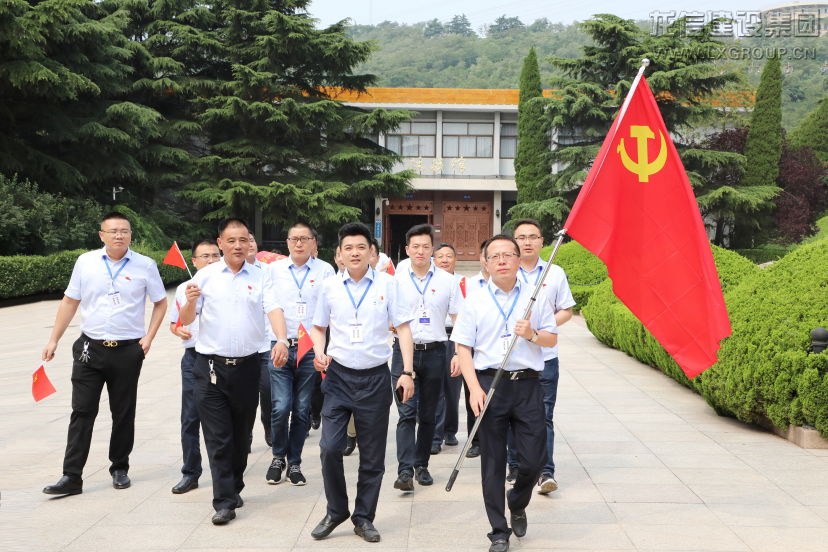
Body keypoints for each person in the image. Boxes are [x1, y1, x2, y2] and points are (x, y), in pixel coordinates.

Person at [42, 211, 168, 496]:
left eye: (124, 231)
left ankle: (119, 467)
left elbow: (160, 303)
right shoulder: (86, 262)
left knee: (123, 412)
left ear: (130, 235)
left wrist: (148, 338)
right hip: (90, 349)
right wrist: (54, 340)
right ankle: (71, 476)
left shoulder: (145, 265)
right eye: (113, 231)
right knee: (82, 411)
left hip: (127, 351)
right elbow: (70, 301)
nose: (119, 235)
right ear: (102, 235)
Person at [178, 218, 289, 525]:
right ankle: (224, 500)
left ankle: (234, 484)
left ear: (248, 242)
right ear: (221, 244)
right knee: (218, 437)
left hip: (247, 367)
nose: (238, 245)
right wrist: (188, 303)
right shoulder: (206, 276)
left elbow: (273, 307)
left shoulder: (262, 275)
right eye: (231, 240)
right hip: (209, 368)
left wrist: (281, 339)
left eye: (243, 240)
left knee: (241, 435)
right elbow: (187, 318)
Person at [451, 234, 558, 552]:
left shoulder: (535, 296)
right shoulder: (475, 299)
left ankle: (518, 500)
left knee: (535, 459)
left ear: (517, 259)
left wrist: (533, 334)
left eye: (507, 255)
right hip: (488, 385)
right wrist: (472, 389)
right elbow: (463, 347)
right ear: (485, 262)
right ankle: (499, 530)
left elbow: (552, 338)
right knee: (493, 463)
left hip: (527, 385)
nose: (501, 261)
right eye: (494, 256)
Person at [309, 222, 414, 543]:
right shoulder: (329, 286)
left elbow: (405, 328)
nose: (355, 253)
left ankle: (364, 517)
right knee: (329, 448)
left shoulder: (389, 284)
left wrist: (407, 372)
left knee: (372, 456)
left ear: (372, 252)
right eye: (348, 248)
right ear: (338, 254)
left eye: (361, 247)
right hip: (338, 377)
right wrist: (318, 352)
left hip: (374, 378)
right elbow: (317, 327)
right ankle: (336, 509)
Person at [504, 219, 574, 493]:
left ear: (542, 241)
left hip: (545, 355)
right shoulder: (506, 271)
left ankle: (546, 472)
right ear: (514, 242)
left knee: (543, 415)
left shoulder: (554, 273)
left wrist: (541, 329)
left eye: (533, 236)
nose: (527, 242)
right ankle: (515, 465)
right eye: (521, 237)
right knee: (511, 413)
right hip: (513, 356)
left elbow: (566, 310)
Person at [391, 225, 461, 490]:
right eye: (415, 247)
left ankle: (422, 466)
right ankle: (405, 471)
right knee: (406, 412)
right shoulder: (395, 279)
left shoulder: (447, 280)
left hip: (436, 352)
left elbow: (459, 319)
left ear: (432, 250)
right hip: (402, 354)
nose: (420, 251)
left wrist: (457, 354)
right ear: (407, 250)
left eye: (425, 246)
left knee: (429, 415)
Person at [265, 222, 335, 486]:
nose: (298, 243)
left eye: (304, 238)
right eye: (294, 239)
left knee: (302, 407)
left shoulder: (325, 270)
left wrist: (323, 350)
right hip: (281, 345)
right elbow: (267, 305)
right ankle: (277, 457)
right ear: (287, 242)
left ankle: (294, 463)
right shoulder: (273, 270)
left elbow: (330, 310)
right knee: (281, 406)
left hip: (309, 348)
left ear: (313, 242)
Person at [169, 238, 222, 494]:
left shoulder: (227, 286)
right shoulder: (184, 288)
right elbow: (174, 323)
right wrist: (178, 330)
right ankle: (190, 473)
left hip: (222, 360)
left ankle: (225, 478)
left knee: (222, 422)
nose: (211, 260)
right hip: (193, 359)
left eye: (215, 255)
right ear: (194, 261)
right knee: (190, 418)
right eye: (205, 256)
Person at [432, 243, 464, 452]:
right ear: (434, 260)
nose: (444, 260)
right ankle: (434, 435)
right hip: (434, 336)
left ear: (455, 260)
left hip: (455, 337)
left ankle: (450, 430)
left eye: (449, 256)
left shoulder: (463, 282)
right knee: (434, 389)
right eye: (440, 256)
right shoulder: (428, 281)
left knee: (452, 388)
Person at [462, 239, 491, 458]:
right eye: (486, 256)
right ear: (482, 258)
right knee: (472, 392)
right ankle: (476, 440)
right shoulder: (469, 284)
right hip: (472, 346)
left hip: (494, 350)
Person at [247, 232, 272, 448]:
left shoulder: (268, 271)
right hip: (242, 348)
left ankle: (268, 426)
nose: (248, 244)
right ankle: (245, 433)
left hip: (266, 343)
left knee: (267, 389)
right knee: (245, 394)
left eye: (251, 240)